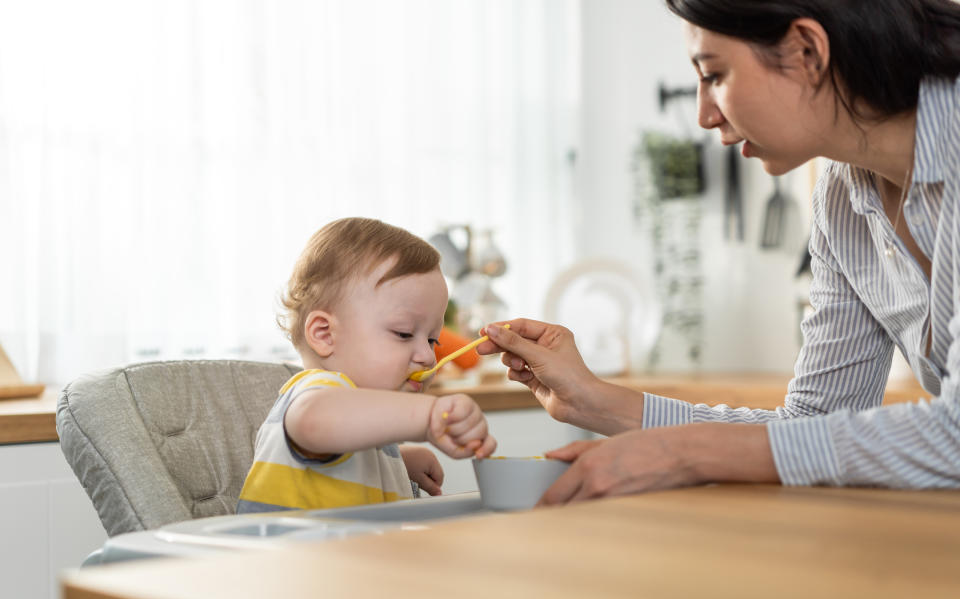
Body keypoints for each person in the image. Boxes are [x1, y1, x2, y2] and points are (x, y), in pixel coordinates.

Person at [478, 0, 960, 504]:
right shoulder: (842, 200)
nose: (705, 116)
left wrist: (684, 453)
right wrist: (596, 401)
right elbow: (813, 426)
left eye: (714, 75)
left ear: (807, 51)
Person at [238, 217, 496, 513]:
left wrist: (397, 462)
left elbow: (339, 452)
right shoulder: (317, 390)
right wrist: (428, 417)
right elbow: (314, 421)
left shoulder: (355, 431)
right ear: (325, 334)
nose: (427, 357)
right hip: (286, 558)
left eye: (432, 341)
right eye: (403, 333)